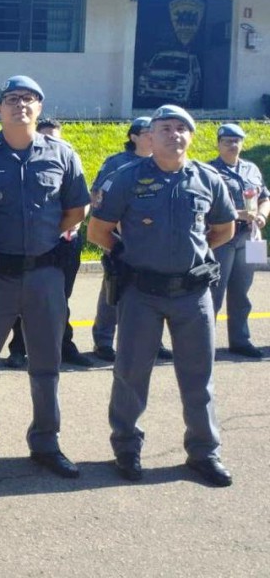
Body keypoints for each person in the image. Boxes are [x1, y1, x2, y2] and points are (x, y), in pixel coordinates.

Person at [87, 105, 236, 487]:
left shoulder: (208, 178)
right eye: (165, 128)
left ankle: (204, 453)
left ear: (192, 136)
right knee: (130, 375)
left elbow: (224, 230)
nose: (174, 134)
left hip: (193, 295)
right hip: (142, 293)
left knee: (198, 378)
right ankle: (126, 447)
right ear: (150, 136)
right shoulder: (126, 178)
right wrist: (131, 257)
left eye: (182, 128)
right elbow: (99, 231)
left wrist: (194, 257)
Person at [0, 75, 90, 480]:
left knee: (46, 363)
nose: (21, 105)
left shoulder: (63, 155)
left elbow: (76, 210)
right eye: (12, 99)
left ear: (40, 108)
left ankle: (46, 442)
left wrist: (43, 240)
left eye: (29, 99)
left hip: (45, 274)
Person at [2, 118, 93, 369]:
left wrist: (68, 226)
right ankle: (19, 348)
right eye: (46, 137)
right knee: (26, 298)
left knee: (62, 299)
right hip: (38, 243)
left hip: (67, 242)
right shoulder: (28, 165)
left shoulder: (68, 160)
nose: (51, 141)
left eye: (55, 137)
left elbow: (81, 201)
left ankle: (64, 345)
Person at [90, 117, 174, 362]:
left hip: (154, 241)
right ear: (134, 136)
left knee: (154, 291)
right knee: (114, 289)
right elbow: (98, 196)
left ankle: (153, 341)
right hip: (120, 238)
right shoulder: (118, 163)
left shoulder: (162, 163)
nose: (153, 135)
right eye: (148, 131)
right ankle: (103, 341)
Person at [208, 123, 269, 359]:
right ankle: (204, 343)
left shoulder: (252, 169)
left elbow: (265, 197)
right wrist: (237, 213)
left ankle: (240, 340)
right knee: (214, 291)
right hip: (223, 236)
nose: (233, 145)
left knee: (242, 291)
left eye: (237, 141)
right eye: (227, 142)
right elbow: (206, 205)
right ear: (219, 144)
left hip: (251, 236)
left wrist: (262, 215)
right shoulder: (210, 170)